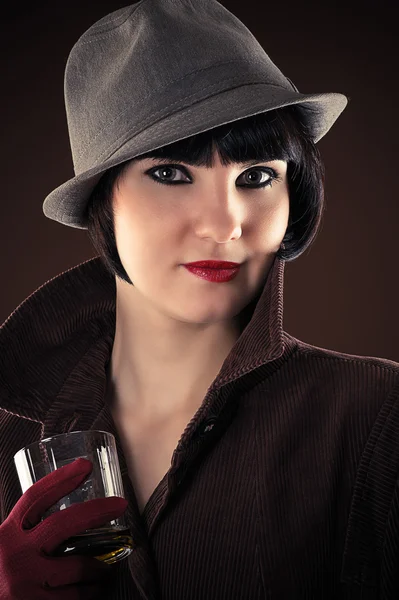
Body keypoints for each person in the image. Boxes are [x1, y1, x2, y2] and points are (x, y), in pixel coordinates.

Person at [1, 0, 398, 598]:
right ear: (102, 201)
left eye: (257, 176)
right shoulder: (8, 437)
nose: (224, 223)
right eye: (171, 174)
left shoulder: (375, 416)